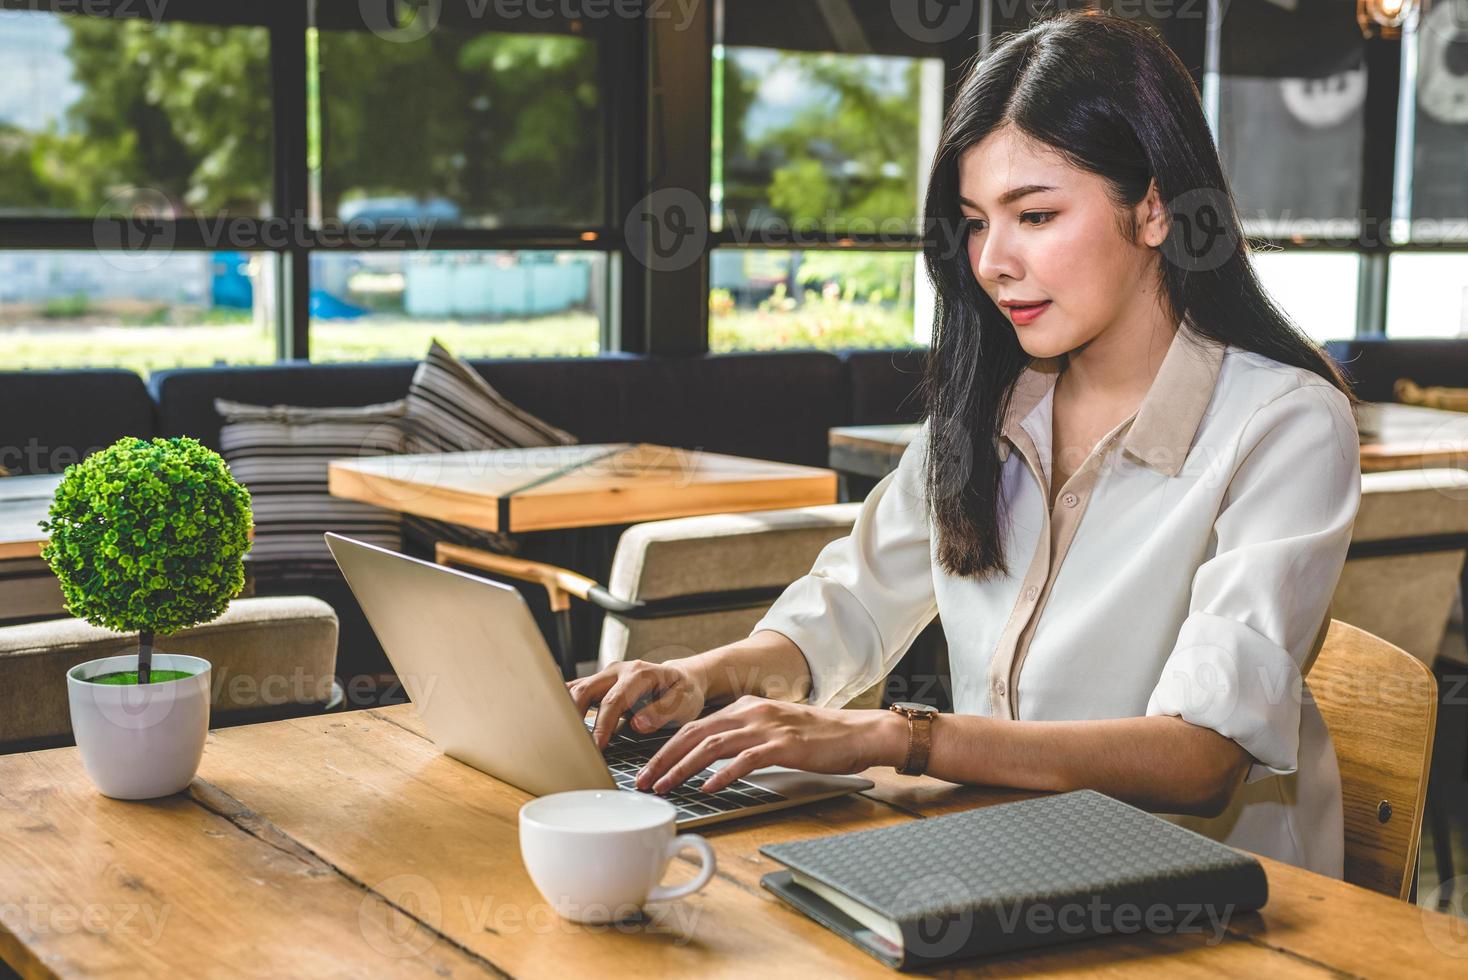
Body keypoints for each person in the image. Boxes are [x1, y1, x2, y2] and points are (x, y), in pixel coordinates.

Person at [568, 10, 1360, 877]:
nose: (991, 261)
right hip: (1003, 861)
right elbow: (855, 605)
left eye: (1036, 214)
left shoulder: (1283, 422)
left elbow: (1202, 757)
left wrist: (899, 736)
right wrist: (706, 676)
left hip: (1214, 907)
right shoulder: (989, 402)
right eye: (977, 222)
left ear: (1157, 208)